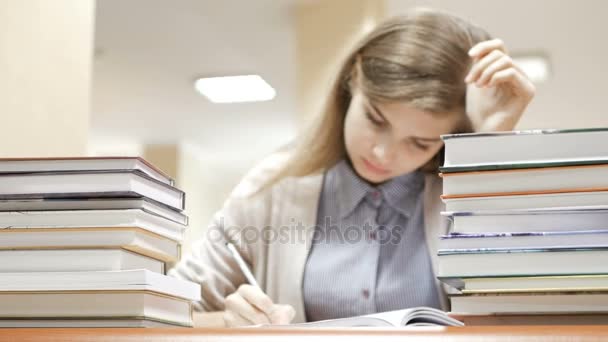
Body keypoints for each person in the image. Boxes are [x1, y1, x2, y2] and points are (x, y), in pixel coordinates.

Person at [168, 8, 535, 327]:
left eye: (420, 143)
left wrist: (489, 144)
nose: (383, 152)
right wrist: (228, 321)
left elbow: (529, 307)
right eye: (375, 119)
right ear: (351, 81)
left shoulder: (462, 198)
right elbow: (157, 312)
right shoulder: (272, 188)